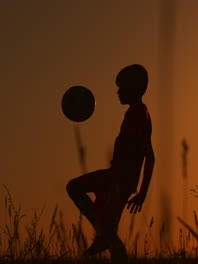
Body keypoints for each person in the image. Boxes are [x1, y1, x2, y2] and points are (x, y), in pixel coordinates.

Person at [66, 64, 155, 263]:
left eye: (121, 87)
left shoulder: (138, 115)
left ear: (132, 88)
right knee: (109, 231)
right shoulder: (137, 113)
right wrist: (139, 189)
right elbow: (149, 156)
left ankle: (107, 237)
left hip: (117, 179)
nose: (117, 92)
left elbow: (150, 156)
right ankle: (106, 237)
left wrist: (143, 192)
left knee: (73, 187)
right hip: (122, 179)